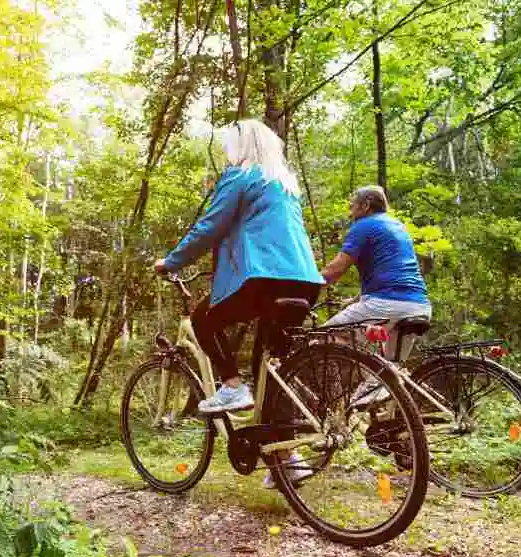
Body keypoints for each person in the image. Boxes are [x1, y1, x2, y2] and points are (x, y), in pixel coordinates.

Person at [155, 119, 324, 416]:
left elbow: (210, 228)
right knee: (268, 367)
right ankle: (283, 448)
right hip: (306, 281)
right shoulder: (285, 184)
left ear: (242, 145)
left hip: (265, 278)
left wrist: (171, 262)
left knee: (203, 318)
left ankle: (232, 386)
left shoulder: (241, 175)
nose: (227, 152)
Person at [319, 185, 432, 360]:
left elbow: (336, 269)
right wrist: (355, 301)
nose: (350, 212)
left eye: (353, 205)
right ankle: (382, 387)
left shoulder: (364, 225)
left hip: (386, 305)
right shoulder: (398, 227)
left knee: (321, 338)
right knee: (388, 373)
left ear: (366, 205)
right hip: (419, 306)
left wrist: (307, 288)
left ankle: (325, 387)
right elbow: (393, 275)